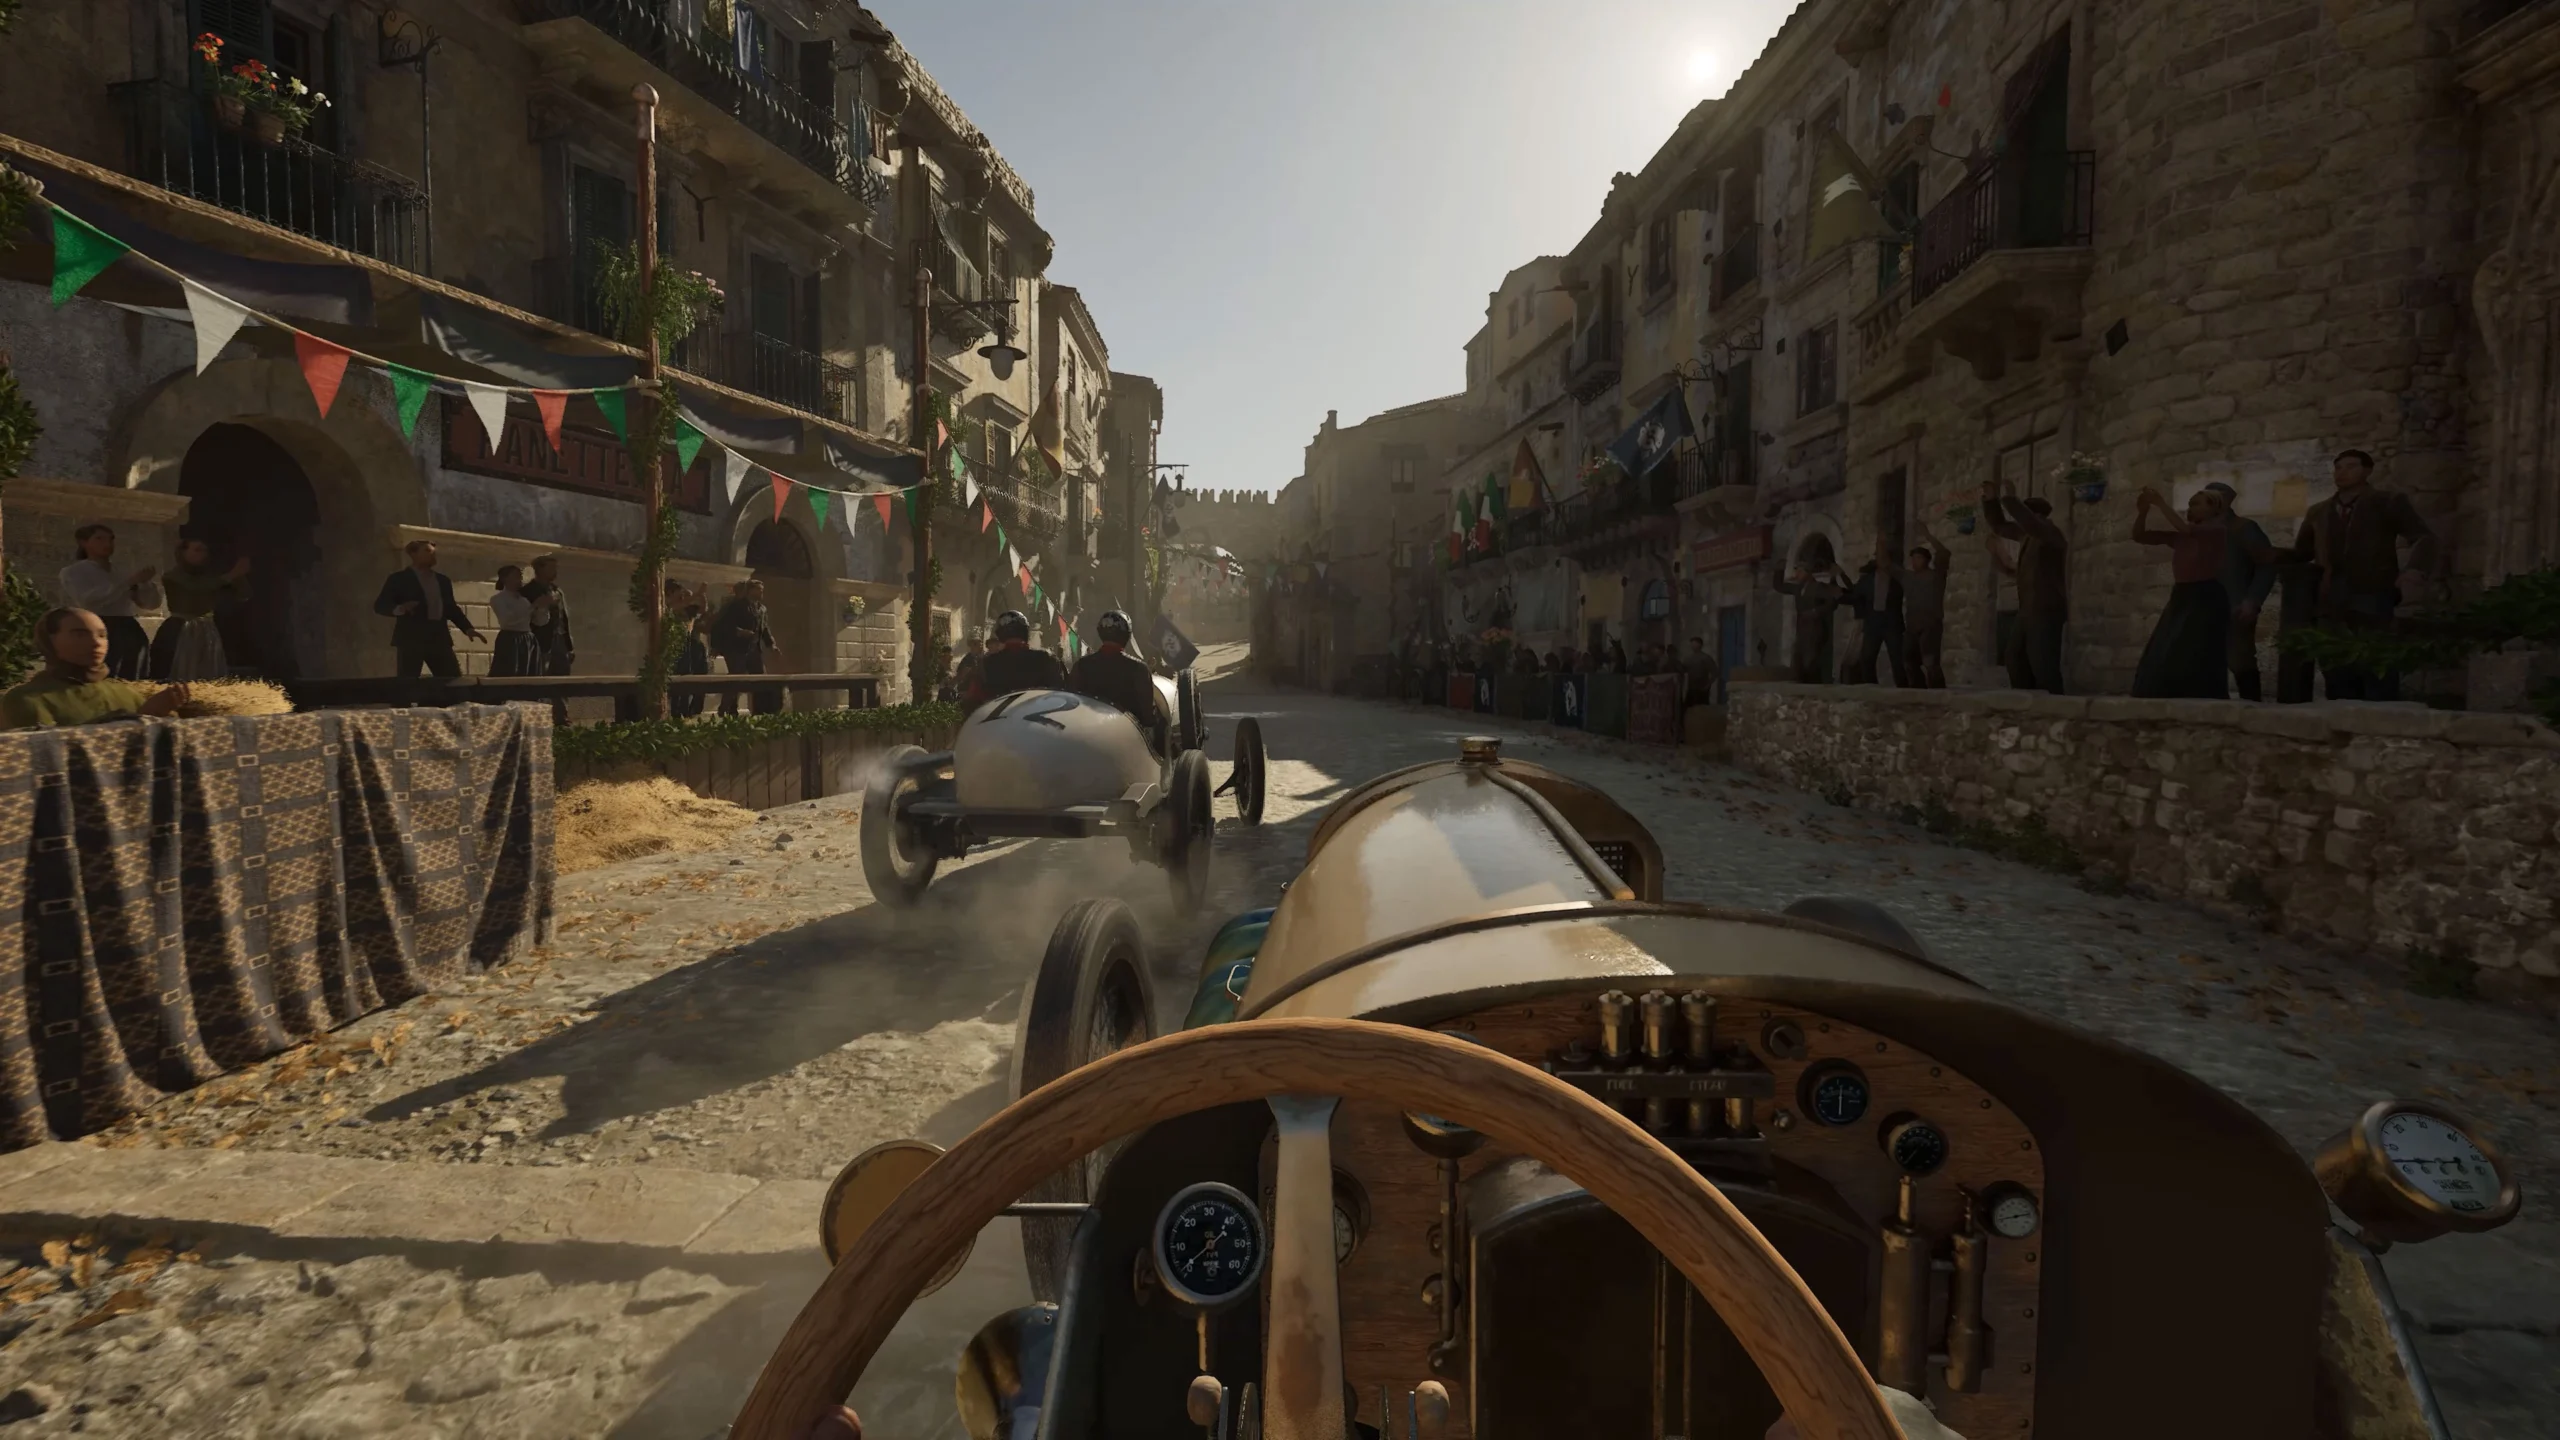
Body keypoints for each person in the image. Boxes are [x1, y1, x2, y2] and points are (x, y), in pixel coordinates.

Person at [2286, 448, 2438, 701]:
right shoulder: (2319, 511)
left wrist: (2414, 570)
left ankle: (2381, 722)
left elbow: (2424, 537)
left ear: (2367, 471)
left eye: (2350, 466)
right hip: (2330, 597)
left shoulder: (2387, 502)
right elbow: (2301, 553)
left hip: (2373, 592)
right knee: (2335, 664)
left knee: (2376, 662)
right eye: (2338, 467)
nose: (2342, 472)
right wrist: (2267, 555)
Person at [3, 608, 190, 729]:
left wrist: (167, 713)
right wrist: (145, 716)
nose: (95, 643)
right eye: (80, 634)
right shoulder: (25, 700)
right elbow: (49, 754)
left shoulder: (124, 693)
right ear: (49, 640)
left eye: (102, 635)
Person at [2129, 486, 2232, 699]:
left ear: (2214, 509)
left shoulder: (2216, 530)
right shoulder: (2182, 537)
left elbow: (2184, 529)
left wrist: (2160, 503)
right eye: (2189, 505)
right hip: (2182, 596)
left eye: (2195, 504)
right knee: (2165, 647)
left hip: (2206, 596)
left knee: (2195, 649)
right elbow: (2139, 536)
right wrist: (2143, 512)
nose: (2190, 509)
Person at [1983, 479, 2068, 693]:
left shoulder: (2050, 534)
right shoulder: (2028, 536)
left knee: (2043, 664)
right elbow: (2000, 526)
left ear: (2037, 515)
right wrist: (1992, 501)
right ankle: (2027, 705)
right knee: (2015, 658)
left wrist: (2010, 498)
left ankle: (2057, 707)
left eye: (2023, 513)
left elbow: (2030, 524)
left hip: (2045, 608)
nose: (2018, 521)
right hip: (2028, 609)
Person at [2203, 482, 2279, 701]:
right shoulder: (2199, 529)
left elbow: (2266, 565)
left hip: (2234, 605)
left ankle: (2252, 707)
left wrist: (2252, 600)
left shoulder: (2243, 528)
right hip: (2201, 606)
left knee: (2240, 659)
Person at [58, 524, 160, 681]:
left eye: (110, 539)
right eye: (99, 539)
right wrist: (128, 583)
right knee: (102, 674)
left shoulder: (120, 571)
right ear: (83, 542)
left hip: (128, 628)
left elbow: (149, 604)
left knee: (133, 675)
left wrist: (145, 584)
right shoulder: (74, 571)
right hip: (98, 626)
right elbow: (90, 600)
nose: (107, 544)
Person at [373, 539, 483, 679]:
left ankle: (446, 701)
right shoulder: (399, 579)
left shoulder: (442, 581)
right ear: (413, 554)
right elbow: (381, 605)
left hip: (438, 636)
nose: (432, 556)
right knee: (408, 680)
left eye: (434, 553)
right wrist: (400, 608)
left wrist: (467, 628)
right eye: (427, 551)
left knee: (452, 679)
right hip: (412, 637)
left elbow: (451, 608)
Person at [148, 537, 248, 681]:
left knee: (208, 674)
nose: (202, 554)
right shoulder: (173, 576)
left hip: (207, 630)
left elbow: (243, 595)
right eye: (197, 550)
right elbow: (196, 588)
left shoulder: (211, 577)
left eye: (204, 550)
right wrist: (231, 575)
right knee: (180, 672)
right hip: (181, 630)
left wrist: (239, 577)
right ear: (183, 553)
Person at [1069, 609, 1169, 745]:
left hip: (1085, 733)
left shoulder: (1081, 665)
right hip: (1128, 738)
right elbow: (1147, 717)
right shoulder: (1138, 668)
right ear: (1126, 635)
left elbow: (1072, 702)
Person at [1882, 524, 1952, 688]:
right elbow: (1886, 565)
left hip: (1930, 624)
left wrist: (1927, 535)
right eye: (1913, 558)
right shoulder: (1908, 577)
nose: (1915, 561)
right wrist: (1881, 543)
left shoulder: (1936, 576)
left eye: (1918, 557)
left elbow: (1944, 553)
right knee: (1909, 662)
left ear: (1927, 560)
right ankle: (1919, 693)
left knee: (1930, 663)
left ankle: (1938, 694)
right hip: (1912, 626)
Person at [1774, 560, 1848, 684]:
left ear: (1806, 573)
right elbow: (1779, 586)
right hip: (1802, 630)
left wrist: (1816, 612)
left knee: (1811, 662)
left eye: (1799, 571)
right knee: (1798, 661)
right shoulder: (1798, 588)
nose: (1796, 574)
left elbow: (1832, 603)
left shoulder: (1818, 587)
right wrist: (1780, 569)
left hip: (1815, 630)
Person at [969, 610, 1066, 706]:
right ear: (1025, 632)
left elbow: (974, 698)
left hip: (997, 719)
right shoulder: (1047, 659)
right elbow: (1061, 695)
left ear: (1000, 635)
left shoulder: (986, 663)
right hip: (1037, 718)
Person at [709, 580, 778, 715]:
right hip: (736, 649)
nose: (761, 592)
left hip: (754, 649)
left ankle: (761, 711)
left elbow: (764, 629)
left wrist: (772, 645)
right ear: (750, 590)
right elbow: (723, 625)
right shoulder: (736, 606)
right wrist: (739, 631)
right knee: (737, 679)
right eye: (758, 589)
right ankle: (727, 708)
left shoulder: (762, 609)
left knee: (761, 679)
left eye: (762, 590)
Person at [1846, 550, 1909, 686]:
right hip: (1873, 624)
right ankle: (1871, 686)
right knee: (1867, 658)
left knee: (1897, 660)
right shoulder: (1868, 580)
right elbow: (1854, 595)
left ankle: (1903, 687)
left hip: (1892, 624)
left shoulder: (1898, 579)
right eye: (1878, 558)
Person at [522, 555, 576, 676]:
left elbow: (564, 618)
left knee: (562, 676)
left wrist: (569, 646)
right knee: (540, 675)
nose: (555, 571)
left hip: (560, 641)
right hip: (540, 641)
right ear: (539, 569)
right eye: (551, 568)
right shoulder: (528, 591)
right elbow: (523, 617)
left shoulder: (557, 591)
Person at [487, 565, 541, 677]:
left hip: (528, 639)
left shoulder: (524, 600)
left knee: (529, 673)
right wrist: (532, 607)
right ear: (505, 579)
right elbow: (507, 620)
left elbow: (538, 621)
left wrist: (542, 608)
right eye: (516, 576)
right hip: (511, 639)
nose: (519, 580)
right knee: (509, 672)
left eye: (520, 576)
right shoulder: (498, 599)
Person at [668, 579, 711, 717]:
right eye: (679, 593)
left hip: (686, 643)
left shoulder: (687, 610)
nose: (682, 596)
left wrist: (702, 595)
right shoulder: (669, 605)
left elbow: (703, 609)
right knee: (675, 676)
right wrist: (697, 593)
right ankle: (675, 710)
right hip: (673, 643)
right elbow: (678, 605)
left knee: (686, 674)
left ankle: (684, 710)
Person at [1681, 635, 1721, 709]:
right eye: (1692, 644)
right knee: (1689, 709)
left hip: (1702, 689)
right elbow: (1682, 670)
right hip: (1691, 688)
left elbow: (1715, 673)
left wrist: (1707, 685)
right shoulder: (1688, 658)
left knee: (1702, 709)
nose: (1693, 646)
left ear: (1700, 645)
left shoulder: (1705, 658)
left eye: (1695, 644)